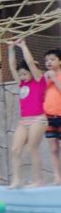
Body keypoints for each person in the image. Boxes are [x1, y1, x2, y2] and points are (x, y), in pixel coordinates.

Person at [6, 39, 47, 188]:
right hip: (24, 121)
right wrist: (10, 49)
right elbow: (11, 67)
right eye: (20, 74)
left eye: (24, 74)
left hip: (39, 119)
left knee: (32, 148)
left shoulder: (39, 80)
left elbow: (30, 63)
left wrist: (23, 46)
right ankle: (17, 180)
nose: (22, 76)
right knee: (15, 149)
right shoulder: (22, 83)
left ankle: (38, 180)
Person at [43, 47, 61, 185]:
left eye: (52, 59)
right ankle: (57, 177)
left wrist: (54, 79)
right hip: (48, 117)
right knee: (53, 149)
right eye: (47, 60)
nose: (49, 62)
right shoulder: (46, 77)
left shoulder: (56, 76)